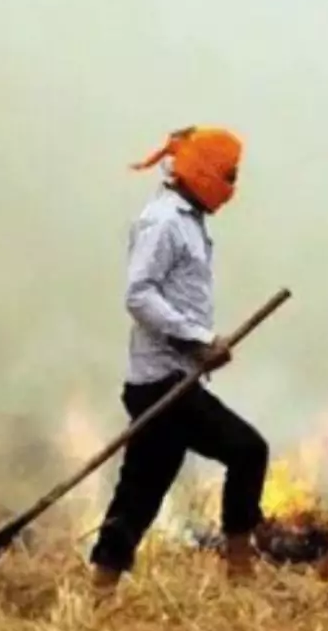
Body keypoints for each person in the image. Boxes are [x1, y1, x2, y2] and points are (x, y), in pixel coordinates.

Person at [87, 125, 270, 593]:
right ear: (206, 170)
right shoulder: (164, 221)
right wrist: (197, 340)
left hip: (173, 378)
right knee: (248, 451)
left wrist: (199, 347)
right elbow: (138, 294)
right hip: (163, 382)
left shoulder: (188, 220)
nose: (233, 185)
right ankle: (240, 575)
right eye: (229, 174)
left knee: (141, 489)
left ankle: (101, 589)